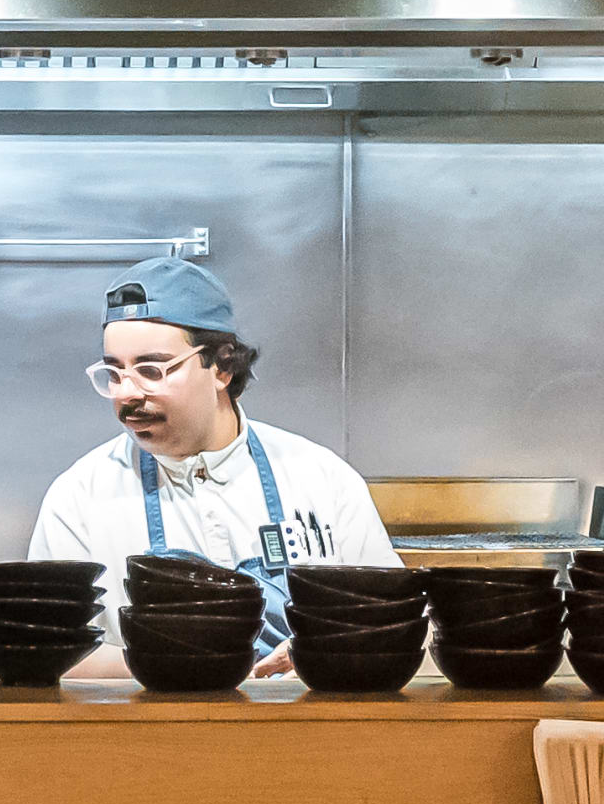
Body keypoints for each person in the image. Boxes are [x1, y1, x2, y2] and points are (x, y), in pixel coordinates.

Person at [26, 255, 397, 672]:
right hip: (151, 734)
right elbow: (54, 653)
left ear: (221, 365)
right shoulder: (79, 498)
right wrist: (181, 664)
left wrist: (328, 652)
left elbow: (394, 624)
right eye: (113, 373)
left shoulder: (322, 479)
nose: (126, 395)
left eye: (151, 370)